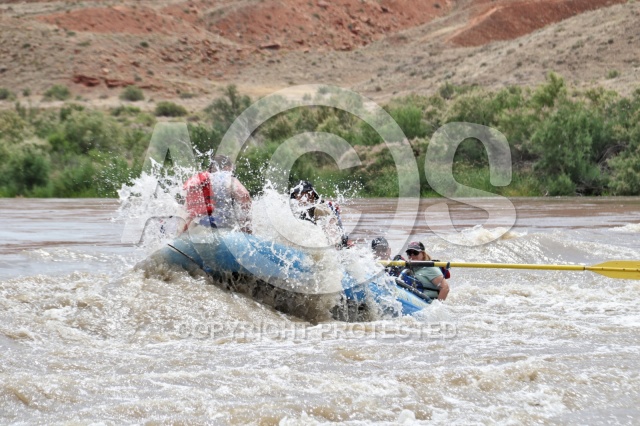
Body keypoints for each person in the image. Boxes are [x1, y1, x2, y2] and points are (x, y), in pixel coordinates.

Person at [183, 154, 252, 234]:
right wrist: (245, 225)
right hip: (222, 232)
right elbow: (244, 195)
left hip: (197, 230)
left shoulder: (198, 181)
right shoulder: (227, 178)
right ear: (226, 167)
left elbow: (187, 212)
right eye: (232, 168)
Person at [289, 180, 350, 247]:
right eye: (296, 195)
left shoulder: (320, 209)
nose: (298, 198)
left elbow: (332, 230)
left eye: (301, 194)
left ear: (311, 194)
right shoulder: (305, 210)